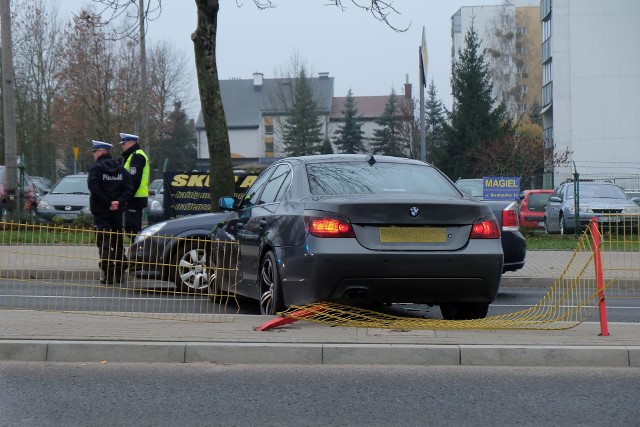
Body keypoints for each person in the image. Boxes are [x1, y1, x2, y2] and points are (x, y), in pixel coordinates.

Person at [88, 140, 134, 285]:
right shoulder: (121, 169)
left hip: (101, 212)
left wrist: (108, 203)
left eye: (95, 152)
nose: (94, 155)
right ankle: (120, 274)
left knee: (104, 243)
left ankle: (108, 275)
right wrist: (118, 202)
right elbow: (129, 188)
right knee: (118, 241)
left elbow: (94, 189)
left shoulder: (96, 169)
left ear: (101, 151)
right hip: (117, 212)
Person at [119, 132, 150, 237]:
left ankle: (139, 252)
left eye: (123, 144)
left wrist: (126, 197)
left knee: (132, 230)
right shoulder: (133, 155)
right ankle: (138, 252)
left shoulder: (137, 156)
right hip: (134, 197)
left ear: (130, 144)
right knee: (132, 229)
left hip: (134, 198)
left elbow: (134, 180)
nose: (122, 146)